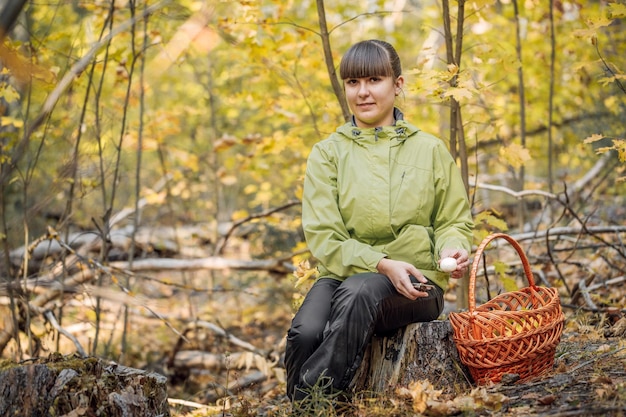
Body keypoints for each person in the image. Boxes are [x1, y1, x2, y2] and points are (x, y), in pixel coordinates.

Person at [284, 39, 474, 402]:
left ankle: (311, 404)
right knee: (305, 332)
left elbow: (453, 220)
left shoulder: (430, 149)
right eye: (353, 82)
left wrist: (453, 248)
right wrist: (381, 264)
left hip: (417, 282)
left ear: (397, 85)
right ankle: (319, 406)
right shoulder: (328, 154)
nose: (363, 92)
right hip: (343, 275)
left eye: (374, 80)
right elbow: (325, 237)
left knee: (360, 293)